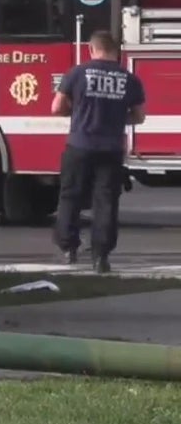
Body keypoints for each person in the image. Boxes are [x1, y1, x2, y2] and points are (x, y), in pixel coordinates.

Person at [51, 30, 145, 273]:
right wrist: (115, 118)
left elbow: (56, 108)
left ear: (91, 50)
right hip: (111, 148)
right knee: (105, 201)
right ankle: (100, 257)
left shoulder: (76, 73)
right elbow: (139, 116)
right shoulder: (129, 79)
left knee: (70, 196)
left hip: (79, 144)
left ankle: (68, 248)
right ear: (116, 51)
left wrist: (79, 114)